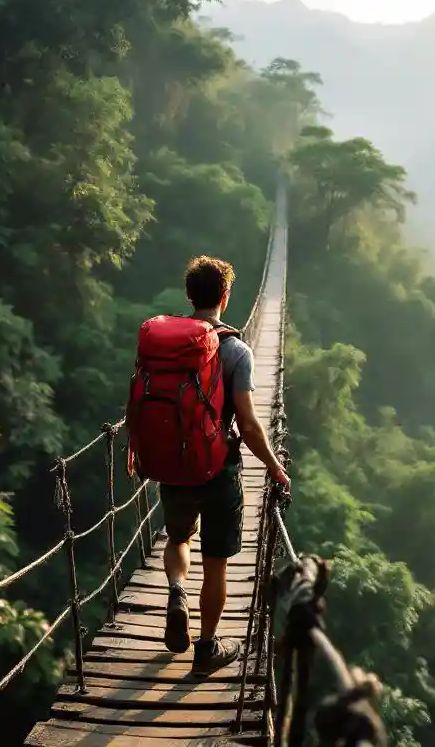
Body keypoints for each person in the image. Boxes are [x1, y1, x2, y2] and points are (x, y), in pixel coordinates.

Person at [160, 256, 291, 677]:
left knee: (178, 537)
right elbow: (250, 426)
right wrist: (274, 467)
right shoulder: (236, 349)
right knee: (216, 560)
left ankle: (176, 590)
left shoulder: (165, 341)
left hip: (174, 464)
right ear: (226, 296)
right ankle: (206, 649)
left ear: (188, 295)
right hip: (219, 470)